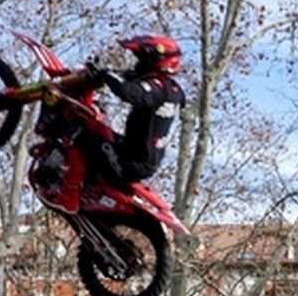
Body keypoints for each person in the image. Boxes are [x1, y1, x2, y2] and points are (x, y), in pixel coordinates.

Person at [32, 35, 186, 198]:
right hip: (137, 154)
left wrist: (105, 73)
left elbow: (128, 92)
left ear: (155, 62)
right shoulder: (174, 91)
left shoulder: (156, 88)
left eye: (142, 61)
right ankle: (86, 181)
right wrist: (107, 73)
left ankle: (56, 181)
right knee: (97, 127)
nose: (138, 65)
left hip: (131, 163)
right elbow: (133, 80)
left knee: (78, 132)